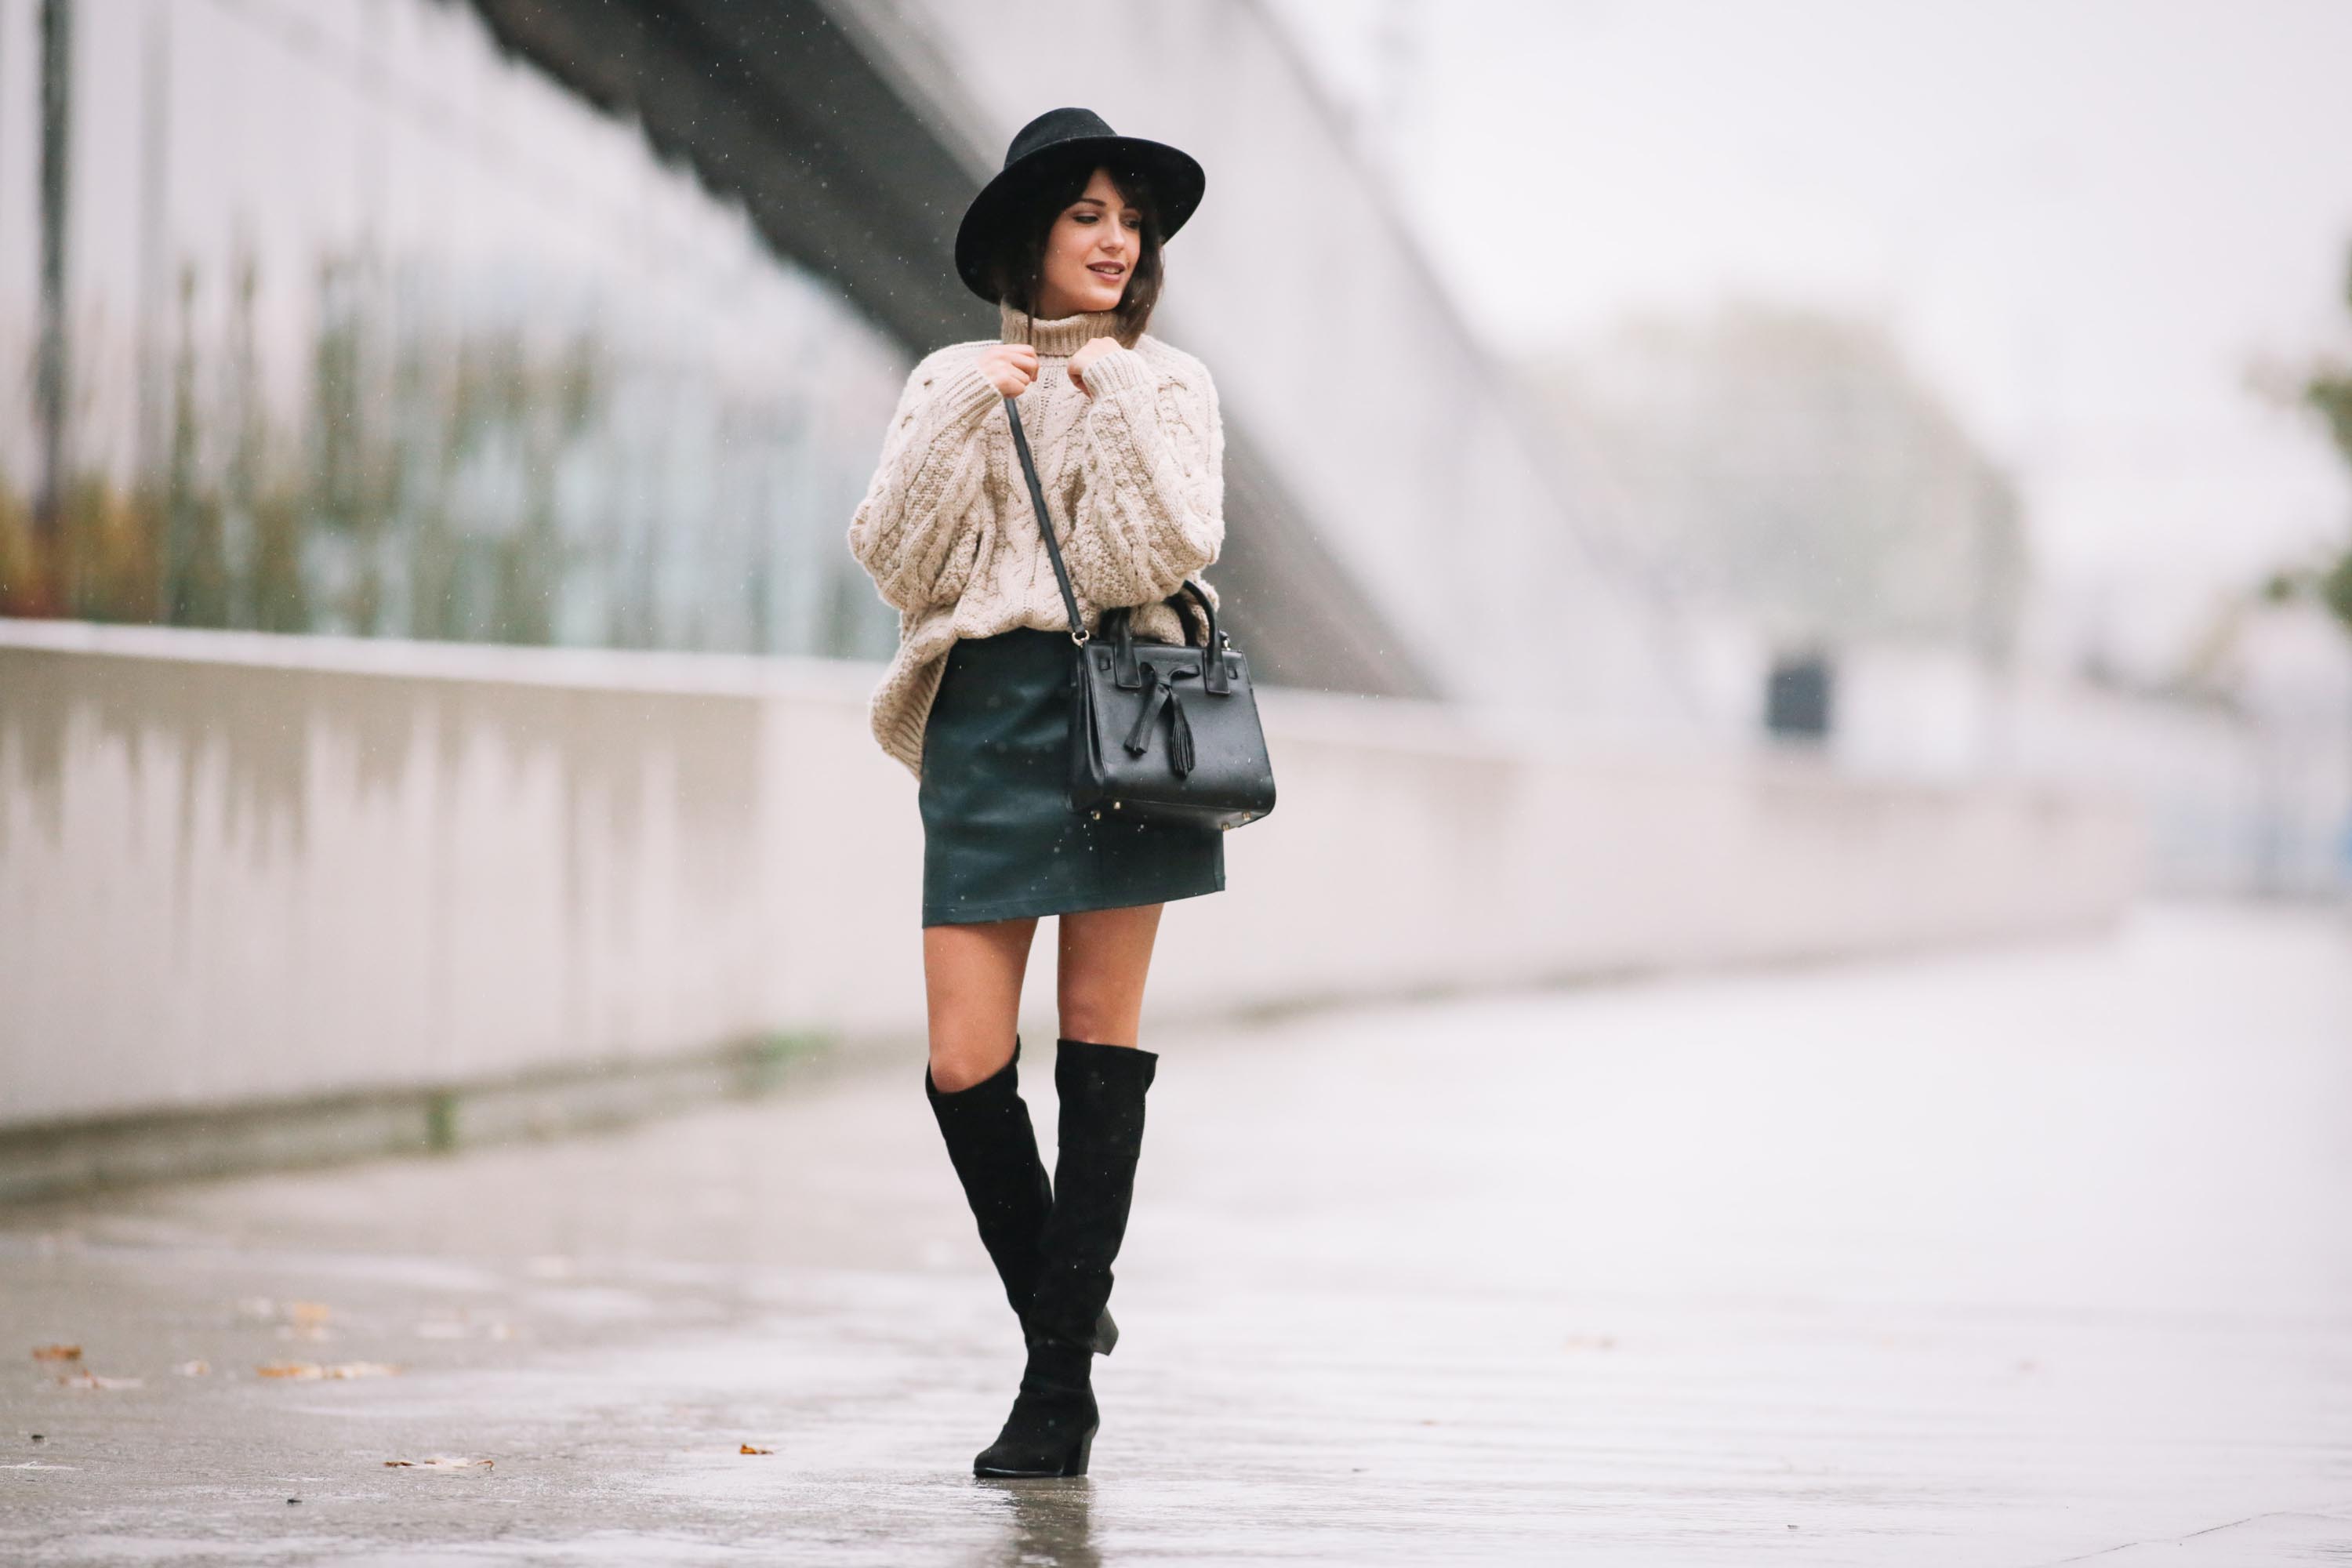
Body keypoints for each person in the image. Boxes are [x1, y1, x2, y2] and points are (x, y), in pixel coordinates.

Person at [844, 107, 1225, 1479]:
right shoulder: (951, 376)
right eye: (1088, 215)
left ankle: (1055, 1390)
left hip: (1127, 714)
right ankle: (1063, 1314)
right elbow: (897, 560)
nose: (1118, 238)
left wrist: (1103, 389)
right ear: (1032, 235)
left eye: (1132, 217)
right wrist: (970, 410)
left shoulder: (1170, 383)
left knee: (1097, 1033)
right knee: (964, 1055)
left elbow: (1163, 544)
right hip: (990, 721)